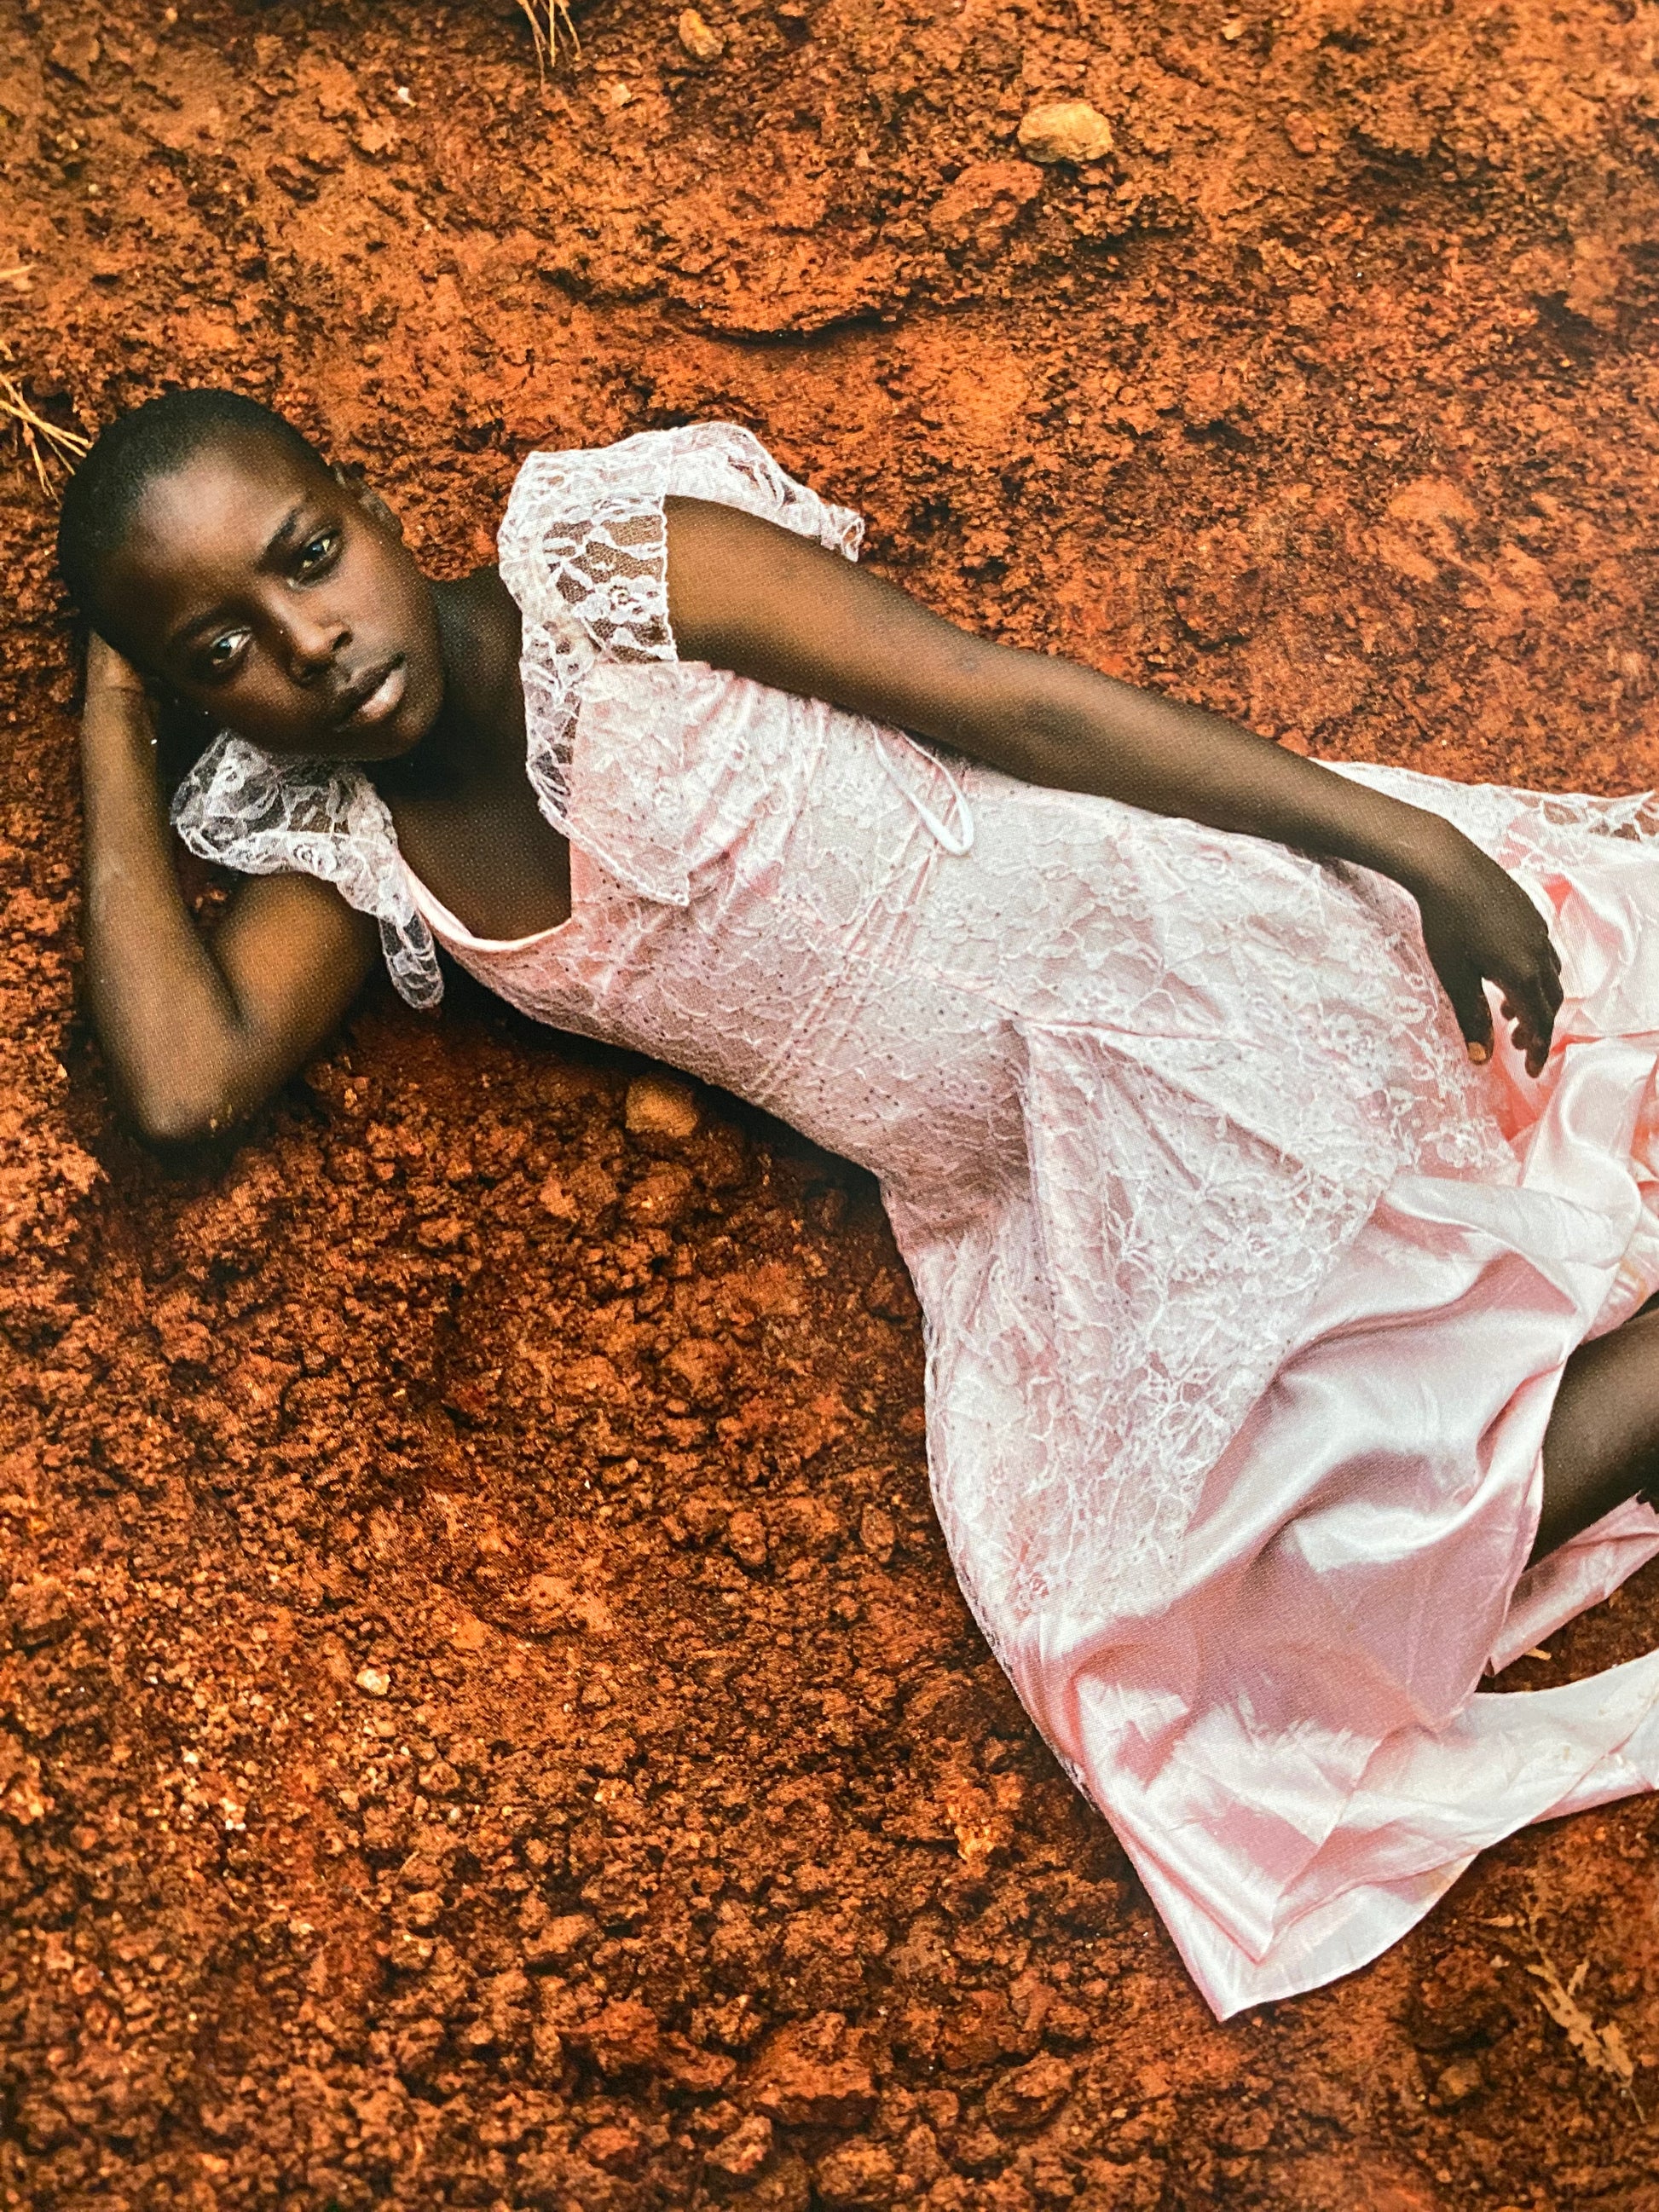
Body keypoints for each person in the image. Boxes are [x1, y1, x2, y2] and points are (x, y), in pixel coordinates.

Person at [59, 388, 1659, 2017]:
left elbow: (1006, 702)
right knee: (1173, 1642)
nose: (309, 644)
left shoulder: (609, 577)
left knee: (1449, 1331)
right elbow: (186, 1082)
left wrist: (1408, 846)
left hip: (1177, 982)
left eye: (307, 557)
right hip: (1040, 1201)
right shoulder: (355, 850)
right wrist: (110, 713)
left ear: (370, 503)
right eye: (221, 653)